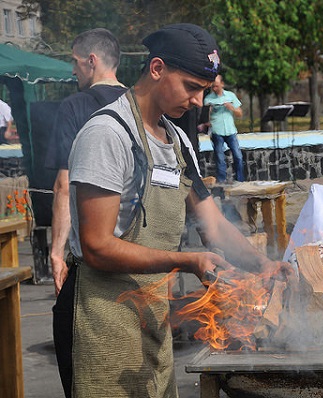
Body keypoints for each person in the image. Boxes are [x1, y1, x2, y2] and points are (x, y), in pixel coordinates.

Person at [57, 23, 290, 398]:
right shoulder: (108, 134)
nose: (199, 100)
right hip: (100, 317)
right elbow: (97, 245)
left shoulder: (177, 139)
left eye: (202, 88)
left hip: (150, 316)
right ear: (157, 69)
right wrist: (185, 260)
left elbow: (212, 223)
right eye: (192, 87)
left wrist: (261, 264)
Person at [46, 28, 127, 297]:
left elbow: (65, 185)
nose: (72, 70)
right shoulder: (140, 106)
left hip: (93, 262)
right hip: (141, 256)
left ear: (91, 61)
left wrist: (57, 253)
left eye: (75, 61)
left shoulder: (74, 106)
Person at [201, 74, 245, 183]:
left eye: (216, 86)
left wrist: (232, 108)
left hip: (230, 130)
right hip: (217, 131)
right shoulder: (208, 99)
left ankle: (239, 181)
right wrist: (209, 114)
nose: (214, 88)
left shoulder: (230, 96)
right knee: (220, 158)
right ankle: (222, 182)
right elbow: (204, 118)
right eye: (213, 87)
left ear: (222, 84)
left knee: (238, 156)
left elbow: (240, 113)